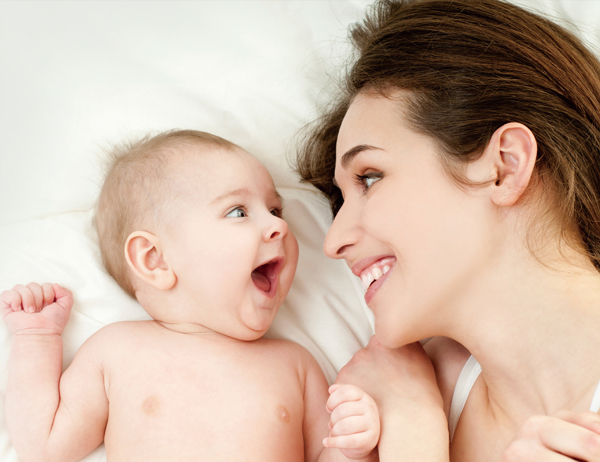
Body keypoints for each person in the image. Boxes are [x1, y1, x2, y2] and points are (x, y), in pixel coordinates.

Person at [295, 0, 600, 460]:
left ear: (505, 167)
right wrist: (412, 430)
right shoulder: (378, 407)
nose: (333, 241)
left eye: (369, 177)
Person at [0, 130, 380, 462]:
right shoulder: (116, 351)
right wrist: (36, 338)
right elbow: (43, 446)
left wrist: (351, 446)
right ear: (155, 260)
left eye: (275, 209)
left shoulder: (296, 366)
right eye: (237, 212)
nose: (279, 224)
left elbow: (322, 455)